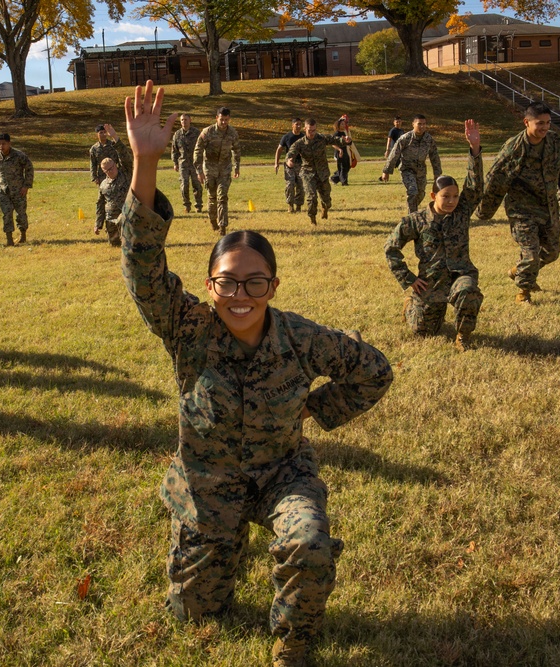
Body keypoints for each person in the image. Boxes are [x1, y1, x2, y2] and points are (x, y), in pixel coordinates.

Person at [120, 80, 392, 667]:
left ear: (273, 285)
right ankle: (221, 548)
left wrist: (318, 411)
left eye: (255, 282)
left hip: (281, 474)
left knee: (309, 544)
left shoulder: (299, 336)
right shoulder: (187, 326)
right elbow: (143, 268)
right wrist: (145, 162)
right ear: (210, 283)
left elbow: (374, 371)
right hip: (207, 481)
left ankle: (293, 642)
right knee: (193, 612)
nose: (240, 294)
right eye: (227, 282)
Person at [384, 120, 484, 351]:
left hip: (461, 274)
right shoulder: (416, 220)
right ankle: (411, 306)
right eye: (446, 196)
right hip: (432, 282)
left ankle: (463, 336)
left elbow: (476, 185)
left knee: (469, 292)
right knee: (423, 330)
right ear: (433, 195)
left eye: (455, 196)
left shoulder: (462, 211)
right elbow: (391, 248)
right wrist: (409, 279)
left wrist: (475, 149)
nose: (451, 201)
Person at [478, 102, 560, 304]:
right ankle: (524, 292)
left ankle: (518, 270)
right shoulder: (514, 148)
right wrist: (484, 211)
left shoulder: (554, 141)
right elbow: (495, 179)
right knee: (531, 255)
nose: (544, 128)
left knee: (552, 252)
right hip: (521, 210)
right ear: (526, 122)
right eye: (540, 123)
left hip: (548, 208)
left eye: (548, 123)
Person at [285, 118, 352, 227]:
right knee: (311, 197)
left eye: (314, 130)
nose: (312, 133)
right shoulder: (300, 143)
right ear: (305, 129)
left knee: (327, 200)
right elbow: (291, 152)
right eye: (309, 131)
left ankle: (325, 208)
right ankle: (313, 219)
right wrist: (289, 160)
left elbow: (335, 139)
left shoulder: (321, 138)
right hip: (308, 173)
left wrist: (345, 140)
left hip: (322, 173)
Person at [381, 114, 442, 214]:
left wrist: (437, 173)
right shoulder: (405, 138)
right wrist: (386, 171)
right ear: (413, 124)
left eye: (424, 124)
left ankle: (412, 209)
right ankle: (412, 217)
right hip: (407, 169)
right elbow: (394, 154)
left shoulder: (428, 139)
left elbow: (434, 156)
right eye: (419, 124)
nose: (422, 126)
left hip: (421, 171)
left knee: (421, 194)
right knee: (413, 191)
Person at [194, 107, 241, 236]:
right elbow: (198, 150)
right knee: (212, 197)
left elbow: (236, 150)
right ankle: (213, 220)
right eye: (222, 120)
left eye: (226, 120)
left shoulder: (232, 133)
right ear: (216, 118)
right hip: (210, 168)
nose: (224, 122)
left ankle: (223, 226)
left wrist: (237, 167)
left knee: (222, 197)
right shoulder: (207, 132)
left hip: (225, 168)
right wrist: (199, 171)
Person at [0, 132, 35, 246]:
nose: (1, 146)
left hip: (19, 191)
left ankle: (23, 235)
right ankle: (9, 239)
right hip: (4, 191)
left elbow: (29, 169)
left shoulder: (19, 156)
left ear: (9, 143)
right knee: (7, 214)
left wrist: (26, 186)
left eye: (3, 144)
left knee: (21, 214)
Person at [90, 123, 129, 235]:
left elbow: (123, 157)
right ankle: (111, 223)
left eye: (104, 132)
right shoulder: (94, 149)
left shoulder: (112, 145)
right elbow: (93, 164)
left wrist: (115, 137)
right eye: (100, 133)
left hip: (118, 176)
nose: (102, 134)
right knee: (107, 200)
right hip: (103, 177)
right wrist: (94, 177)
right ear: (97, 134)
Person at [170, 113, 203, 214]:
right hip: (183, 164)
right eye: (182, 120)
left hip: (195, 164)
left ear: (190, 120)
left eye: (185, 120)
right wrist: (175, 163)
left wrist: (202, 162)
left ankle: (198, 205)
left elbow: (202, 148)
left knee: (196, 185)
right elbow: (174, 150)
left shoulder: (197, 133)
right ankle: (187, 205)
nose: (184, 122)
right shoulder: (177, 134)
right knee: (184, 185)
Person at [94, 156, 131, 246]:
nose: (111, 171)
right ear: (104, 171)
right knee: (114, 245)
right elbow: (100, 204)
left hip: (127, 215)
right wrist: (98, 224)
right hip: (111, 219)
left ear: (115, 165)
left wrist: (117, 142)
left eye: (112, 168)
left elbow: (125, 157)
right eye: (107, 170)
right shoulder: (103, 185)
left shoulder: (126, 175)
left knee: (128, 243)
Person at [274, 118, 305, 213]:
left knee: (301, 185)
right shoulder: (287, 137)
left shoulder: (304, 137)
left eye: (300, 124)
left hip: (301, 164)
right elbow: (279, 149)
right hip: (289, 164)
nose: (299, 126)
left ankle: (298, 205)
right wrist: (276, 163)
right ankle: (290, 205)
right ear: (292, 125)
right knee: (290, 184)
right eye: (297, 124)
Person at [330, 117, 353, 186]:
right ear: (338, 125)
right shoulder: (336, 134)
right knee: (342, 167)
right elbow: (333, 144)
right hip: (339, 152)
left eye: (344, 124)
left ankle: (334, 178)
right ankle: (344, 182)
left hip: (345, 151)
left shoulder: (343, 133)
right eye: (342, 124)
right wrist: (339, 150)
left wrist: (349, 141)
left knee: (348, 166)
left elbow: (347, 143)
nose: (344, 125)